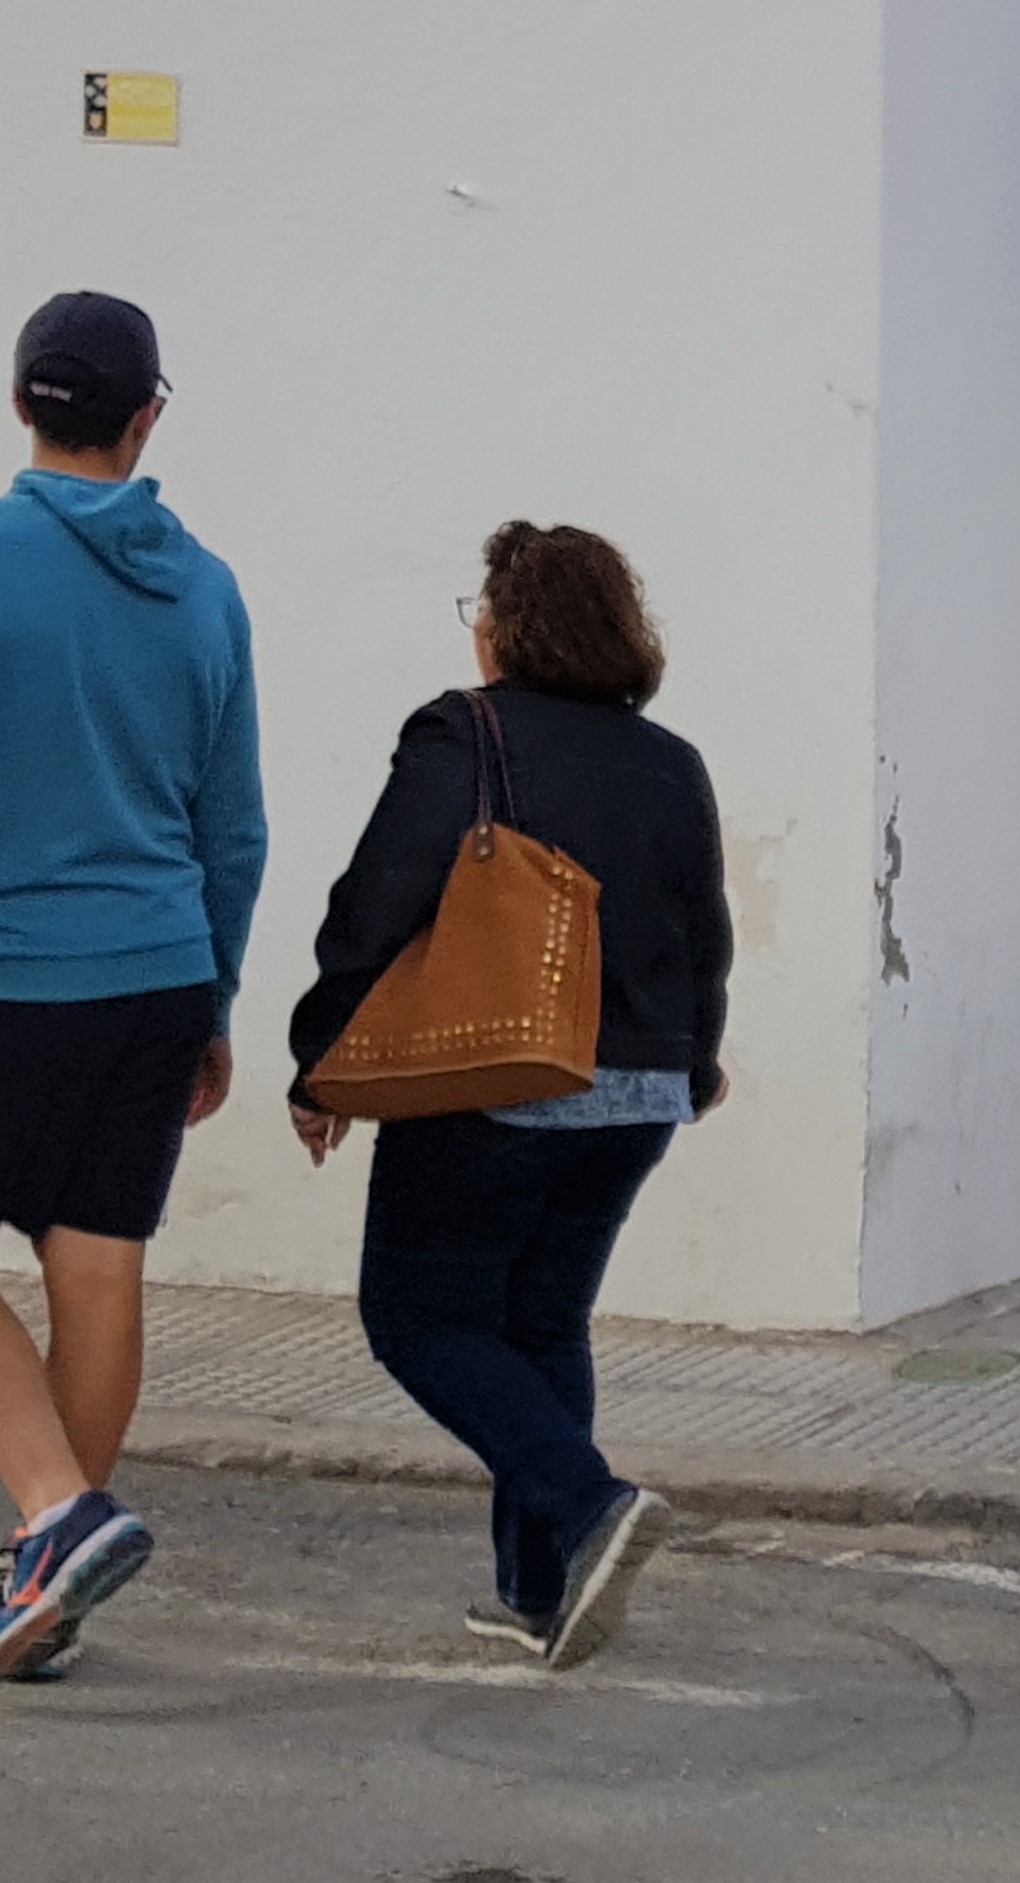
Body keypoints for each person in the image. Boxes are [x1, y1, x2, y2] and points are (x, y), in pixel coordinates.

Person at [287, 524, 730, 1672]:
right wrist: (695, 1067)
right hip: (640, 1093)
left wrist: (319, 1052)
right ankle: (539, 1593)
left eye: (482, 607)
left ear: (506, 628)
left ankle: (591, 1506)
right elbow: (706, 932)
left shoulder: (466, 731)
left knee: (420, 1320)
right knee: (541, 1327)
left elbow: (379, 895)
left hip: (504, 1075)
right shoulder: (671, 761)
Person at [0, 291, 261, 1680]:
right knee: (96, 1267)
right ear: (145, 418)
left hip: (15, 969)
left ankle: (56, 1514)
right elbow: (236, 826)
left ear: (20, 404)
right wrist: (213, 1002)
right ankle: (45, 1593)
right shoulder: (207, 589)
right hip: (158, 972)